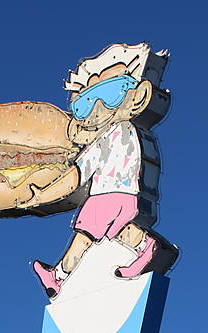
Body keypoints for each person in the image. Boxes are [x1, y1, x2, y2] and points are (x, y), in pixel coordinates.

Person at [18, 43, 176, 298]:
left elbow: (76, 176)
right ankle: (148, 247)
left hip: (106, 195)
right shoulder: (128, 133)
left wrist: (41, 196)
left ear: (139, 95)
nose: (98, 108)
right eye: (83, 104)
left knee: (84, 236)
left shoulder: (110, 135)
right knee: (117, 231)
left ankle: (57, 276)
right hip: (124, 194)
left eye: (112, 92)